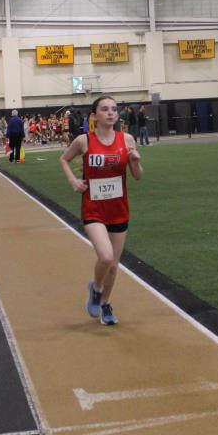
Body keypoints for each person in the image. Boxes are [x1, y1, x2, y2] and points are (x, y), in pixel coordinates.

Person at [59, 96, 143, 326]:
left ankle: (105, 303)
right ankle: (96, 290)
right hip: (94, 208)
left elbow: (137, 176)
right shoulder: (84, 140)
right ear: (94, 115)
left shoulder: (127, 139)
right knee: (105, 256)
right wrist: (73, 181)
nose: (111, 113)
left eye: (114, 109)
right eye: (105, 109)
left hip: (119, 208)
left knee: (114, 265)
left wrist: (135, 162)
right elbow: (64, 159)